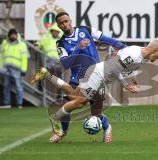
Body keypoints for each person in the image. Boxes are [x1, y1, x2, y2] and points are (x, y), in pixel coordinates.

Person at [31, 39, 158, 142]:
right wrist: (126, 84)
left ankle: (46, 74)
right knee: (80, 101)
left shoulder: (142, 54)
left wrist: (132, 78)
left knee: (90, 106)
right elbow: (115, 67)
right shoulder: (135, 54)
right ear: (154, 51)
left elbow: (121, 62)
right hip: (97, 75)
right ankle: (56, 118)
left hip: (102, 77)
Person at [43, 11, 127, 143]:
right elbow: (66, 64)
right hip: (77, 79)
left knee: (96, 112)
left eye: (66, 21)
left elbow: (105, 38)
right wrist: (77, 47)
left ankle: (107, 128)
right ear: (58, 26)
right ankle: (62, 132)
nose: (65, 24)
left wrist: (122, 46)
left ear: (70, 20)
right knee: (66, 107)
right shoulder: (61, 43)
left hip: (96, 76)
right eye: (61, 23)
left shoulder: (85, 30)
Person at [0, 29, 29, 109]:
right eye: (11, 34)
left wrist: (23, 70)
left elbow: (24, 58)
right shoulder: (4, 44)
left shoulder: (22, 44)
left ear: (17, 35)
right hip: (6, 68)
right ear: (8, 35)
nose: (13, 36)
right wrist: (0, 68)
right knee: (6, 86)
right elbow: (1, 57)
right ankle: (6, 103)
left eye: (14, 34)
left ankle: (19, 104)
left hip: (17, 69)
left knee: (19, 87)